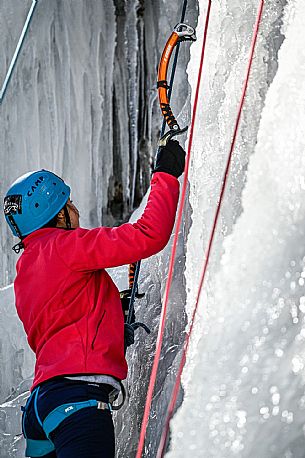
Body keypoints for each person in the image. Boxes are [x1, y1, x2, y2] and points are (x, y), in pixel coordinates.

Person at [3, 139, 185, 458]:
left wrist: (113, 331)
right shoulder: (66, 247)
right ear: (57, 215)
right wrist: (165, 175)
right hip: (77, 403)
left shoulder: (25, 273)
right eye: (68, 204)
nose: (76, 210)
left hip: (41, 406)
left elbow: (66, 322)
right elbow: (148, 234)